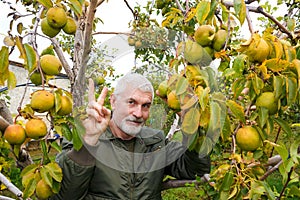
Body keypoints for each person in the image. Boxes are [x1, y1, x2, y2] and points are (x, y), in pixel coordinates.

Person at [51, 73, 211, 200]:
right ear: (113, 101)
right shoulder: (81, 140)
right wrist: (89, 143)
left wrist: (192, 125)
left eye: (145, 106)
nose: (138, 113)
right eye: (131, 102)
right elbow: (63, 195)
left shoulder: (156, 142)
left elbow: (195, 170)